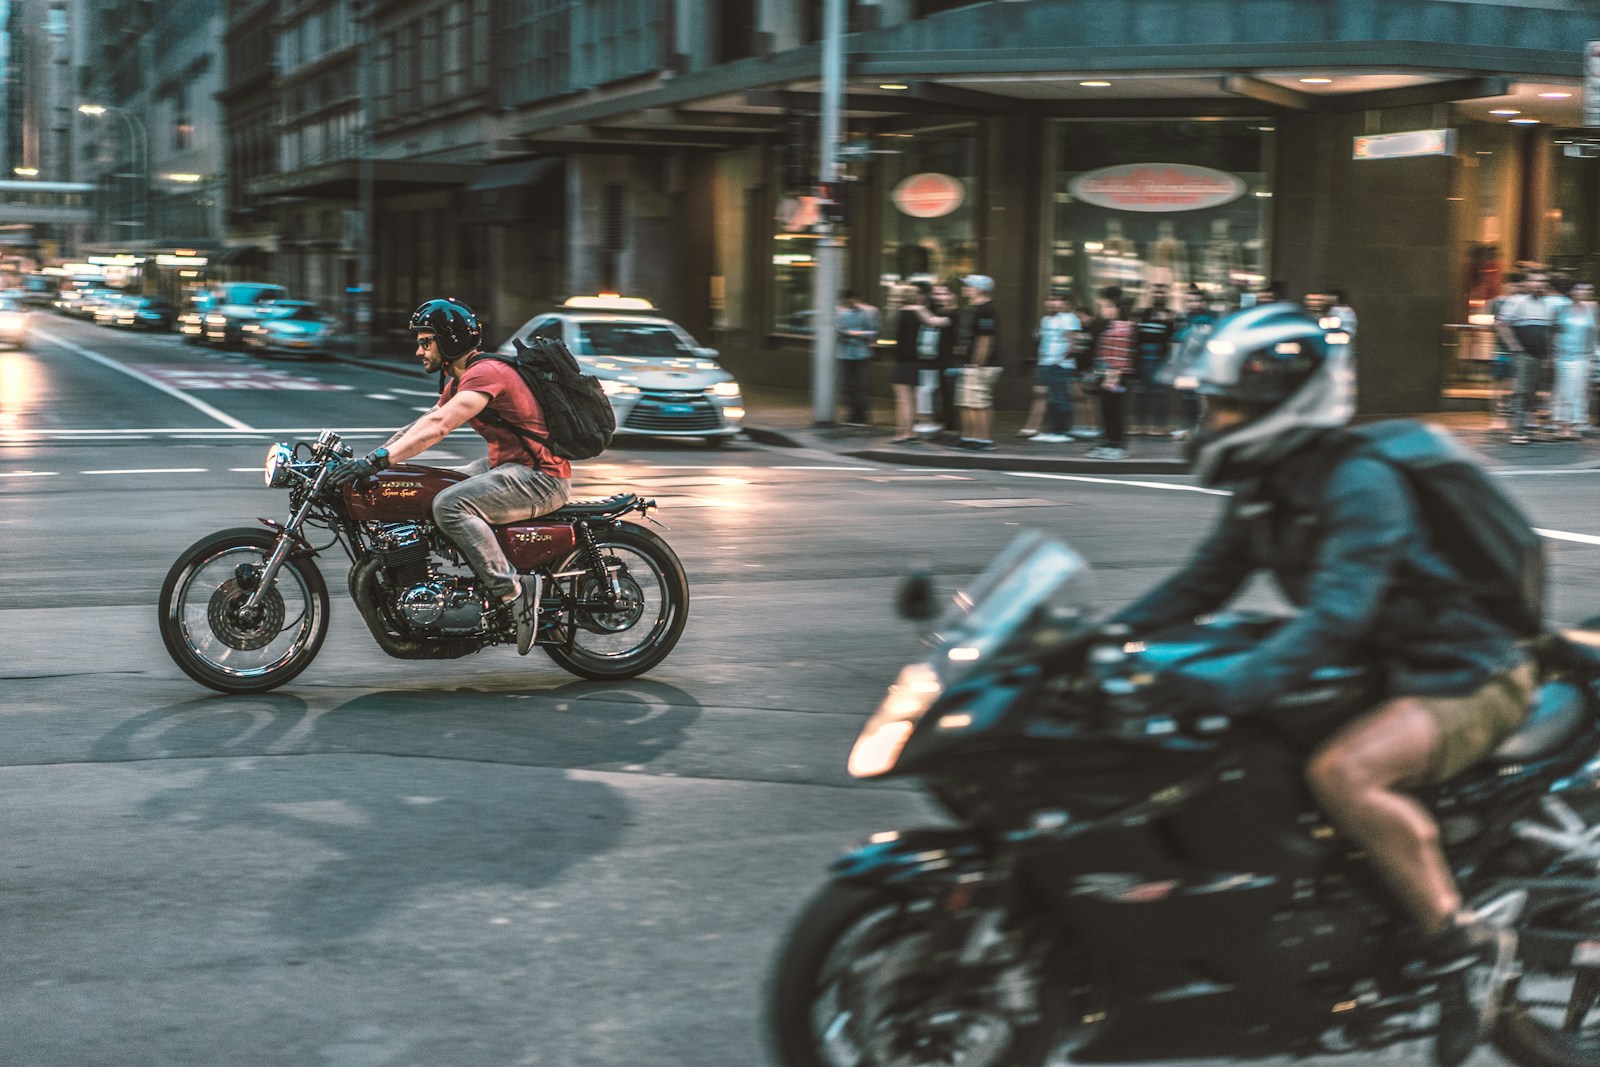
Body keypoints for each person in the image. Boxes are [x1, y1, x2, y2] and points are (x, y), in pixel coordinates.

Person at [1111, 302, 1531, 992]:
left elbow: (1337, 615)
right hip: (1384, 666)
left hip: (1462, 672)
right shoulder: (1265, 481)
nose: (1212, 419)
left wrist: (1231, 682)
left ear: (1282, 404)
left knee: (1344, 772)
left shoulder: (1359, 481)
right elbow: (1201, 582)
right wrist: (1100, 640)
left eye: (1226, 405)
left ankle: (1461, 943)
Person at [327, 298, 572, 655]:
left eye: (426, 341)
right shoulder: (461, 378)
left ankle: (514, 594)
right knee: (435, 487)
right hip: (509, 467)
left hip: (540, 477)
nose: (418, 350)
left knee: (449, 505)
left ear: (451, 341)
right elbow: (422, 423)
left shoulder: (484, 374)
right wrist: (374, 460)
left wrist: (379, 460)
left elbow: (441, 426)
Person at [1498, 269, 1563, 444]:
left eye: (1542, 281)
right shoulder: (1516, 301)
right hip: (1524, 354)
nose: (1538, 284)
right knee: (1522, 391)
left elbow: (1550, 331)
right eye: (1535, 281)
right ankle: (1517, 431)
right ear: (1527, 283)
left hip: (1540, 355)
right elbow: (1502, 324)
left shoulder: (1549, 305)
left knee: (1533, 392)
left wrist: (1550, 354)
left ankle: (1526, 426)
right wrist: (1514, 346)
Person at [1018, 291, 1080, 443]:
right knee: (1051, 398)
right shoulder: (1045, 319)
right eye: (1051, 300)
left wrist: (1060, 360)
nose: (1054, 303)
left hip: (1058, 365)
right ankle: (1053, 430)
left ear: (1064, 302)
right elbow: (1038, 339)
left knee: (1060, 398)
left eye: (1058, 300)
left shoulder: (1068, 319)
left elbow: (1072, 342)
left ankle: (1061, 431)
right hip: (1045, 363)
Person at [890, 283, 944, 443]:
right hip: (915, 360)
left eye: (895, 295)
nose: (893, 297)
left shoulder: (905, 311)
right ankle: (910, 432)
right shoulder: (919, 311)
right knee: (911, 398)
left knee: (903, 400)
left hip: (904, 360)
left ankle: (903, 433)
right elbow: (937, 322)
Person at [953, 274, 1001, 451]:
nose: (965, 288)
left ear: (980, 289)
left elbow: (985, 340)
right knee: (968, 402)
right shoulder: (973, 308)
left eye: (969, 285)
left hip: (980, 366)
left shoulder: (985, 310)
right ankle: (969, 437)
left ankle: (982, 440)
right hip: (971, 365)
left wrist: (976, 364)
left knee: (978, 403)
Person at [1087, 294, 1134, 460]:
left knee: (1114, 410)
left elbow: (1119, 358)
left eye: (1107, 306)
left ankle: (1116, 444)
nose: (1103, 310)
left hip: (1115, 379)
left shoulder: (1122, 329)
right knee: (1108, 410)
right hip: (1107, 377)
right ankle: (1109, 442)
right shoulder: (1110, 327)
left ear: (1116, 309)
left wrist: (1111, 378)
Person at [1552, 279, 1598, 439]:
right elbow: (1555, 331)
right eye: (1580, 289)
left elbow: (1594, 333)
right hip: (1563, 355)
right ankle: (1562, 425)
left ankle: (1574, 424)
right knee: (1563, 390)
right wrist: (1554, 353)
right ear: (1572, 291)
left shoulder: (1591, 308)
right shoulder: (1562, 308)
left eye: (1587, 289)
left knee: (1578, 391)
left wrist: (1592, 356)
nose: (1583, 292)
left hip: (1583, 356)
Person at [1168, 287, 1215, 441]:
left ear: (1203, 302)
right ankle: (1189, 429)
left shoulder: (1211, 318)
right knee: (1188, 399)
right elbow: (1177, 339)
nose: (1194, 304)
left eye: (1197, 300)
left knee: (1203, 398)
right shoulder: (1184, 318)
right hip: (1185, 365)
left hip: (1203, 364)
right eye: (1190, 301)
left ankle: (1203, 431)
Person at [1133, 282, 1177, 434]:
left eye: (1161, 293)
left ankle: (1160, 426)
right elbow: (1137, 335)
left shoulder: (1169, 315)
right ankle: (1141, 425)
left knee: (1159, 392)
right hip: (1144, 355)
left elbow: (1170, 338)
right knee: (1141, 391)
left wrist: (1168, 321)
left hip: (1159, 356)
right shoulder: (1143, 313)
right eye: (1155, 293)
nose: (1158, 295)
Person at [836, 290, 880, 427]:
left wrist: (859, 333)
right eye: (847, 302)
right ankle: (852, 415)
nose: (850, 304)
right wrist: (844, 333)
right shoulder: (839, 313)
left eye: (852, 301)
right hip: (845, 353)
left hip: (862, 353)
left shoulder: (869, 312)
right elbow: (836, 330)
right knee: (848, 387)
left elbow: (875, 332)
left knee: (862, 386)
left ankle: (862, 416)